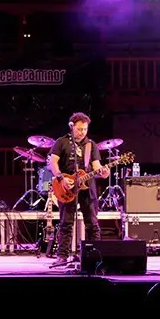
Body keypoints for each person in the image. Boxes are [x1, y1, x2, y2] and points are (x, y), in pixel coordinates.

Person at [47, 112, 109, 266]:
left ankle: (94, 255)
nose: (82, 132)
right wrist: (61, 178)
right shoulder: (61, 142)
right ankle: (62, 256)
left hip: (87, 188)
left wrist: (103, 172)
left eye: (85, 129)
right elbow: (53, 163)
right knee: (66, 223)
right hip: (66, 187)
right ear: (72, 127)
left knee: (92, 223)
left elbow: (96, 166)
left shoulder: (91, 145)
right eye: (79, 129)